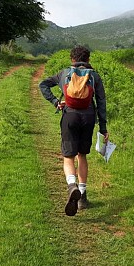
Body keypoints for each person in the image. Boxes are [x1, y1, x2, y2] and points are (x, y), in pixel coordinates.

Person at [39, 45, 108, 216]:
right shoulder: (94, 76)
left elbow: (43, 85)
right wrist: (103, 127)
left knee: (68, 156)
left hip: (69, 116)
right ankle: (83, 198)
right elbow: (101, 102)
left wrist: (55, 102)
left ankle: (72, 186)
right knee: (82, 155)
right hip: (88, 117)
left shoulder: (64, 73)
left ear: (72, 59)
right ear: (88, 59)